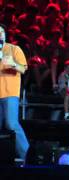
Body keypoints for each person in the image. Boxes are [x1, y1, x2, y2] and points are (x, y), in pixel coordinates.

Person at [0, 24, 29, 160]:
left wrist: (11, 62)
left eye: (1, 32)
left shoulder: (14, 49)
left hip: (9, 93)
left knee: (11, 124)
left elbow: (23, 69)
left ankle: (27, 154)